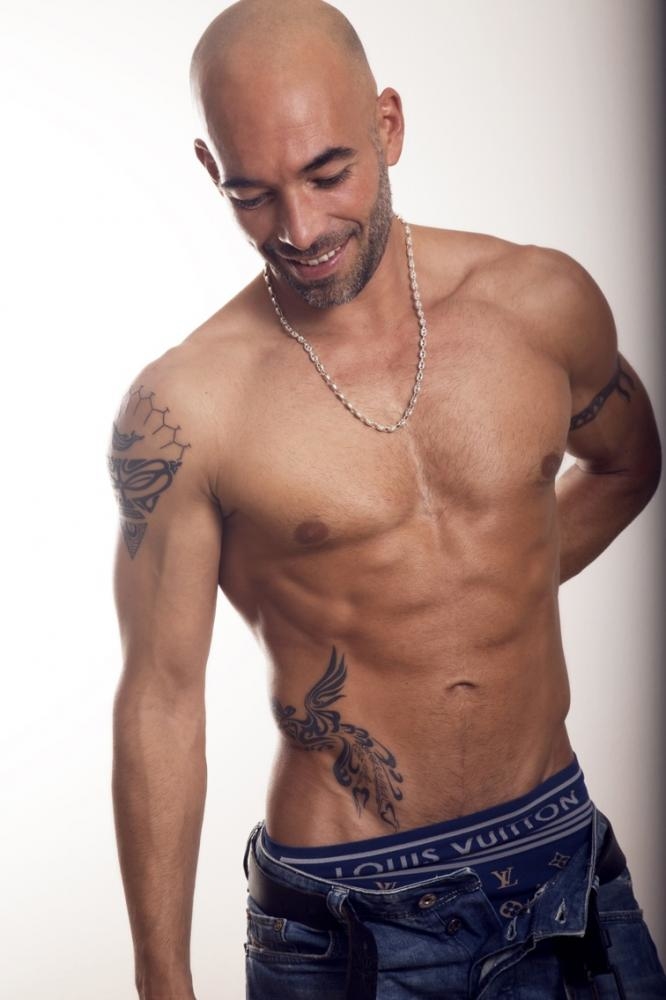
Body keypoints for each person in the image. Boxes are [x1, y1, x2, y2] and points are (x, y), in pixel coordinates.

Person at [109, 1, 664, 997]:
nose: (299, 230)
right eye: (252, 194)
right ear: (210, 171)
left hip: (564, 875)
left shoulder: (540, 303)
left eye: (329, 174)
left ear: (389, 125)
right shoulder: (185, 408)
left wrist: (486, 586)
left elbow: (628, 464)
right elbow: (161, 696)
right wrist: (162, 980)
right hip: (347, 920)